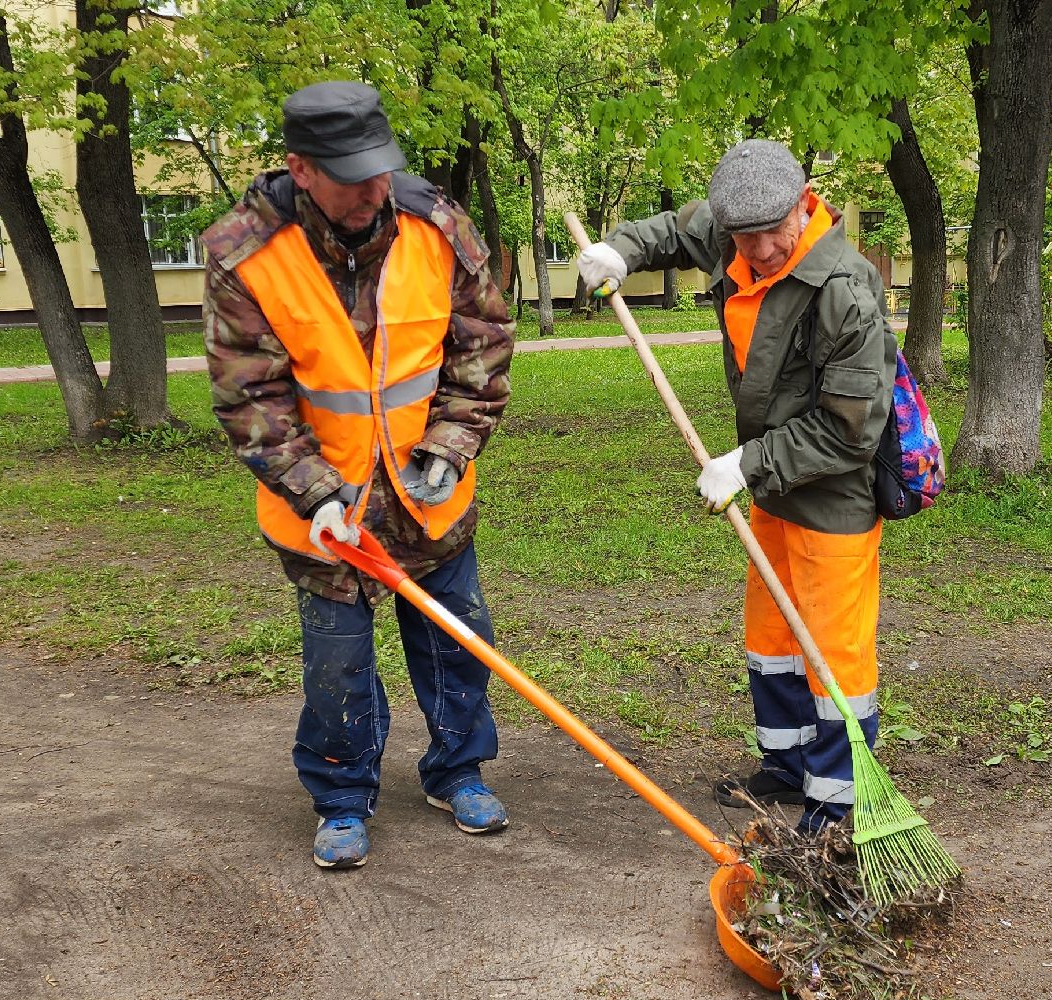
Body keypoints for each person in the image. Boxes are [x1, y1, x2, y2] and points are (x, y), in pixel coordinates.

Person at [201, 81, 516, 870]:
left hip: (427, 493)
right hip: (324, 511)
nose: (372, 191)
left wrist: (449, 444)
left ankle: (457, 769)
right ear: (299, 168)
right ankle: (342, 798)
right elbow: (251, 394)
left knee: (456, 639)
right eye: (351, 177)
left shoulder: (435, 227)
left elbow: (481, 341)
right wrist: (314, 493)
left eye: (380, 171)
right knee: (337, 664)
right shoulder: (246, 254)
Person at [573, 140, 894, 833]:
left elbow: (850, 430)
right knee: (773, 632)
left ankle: (838, 803)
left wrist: (745, 464)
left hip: (832, 491)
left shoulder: (843, 290)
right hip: (771, 484)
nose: (763, 248)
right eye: (745, 236)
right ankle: (786, 763)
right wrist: (620, 251)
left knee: (831, 645)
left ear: (803, 200)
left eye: (774, 230)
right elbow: (671, 229)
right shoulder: (733, 236)